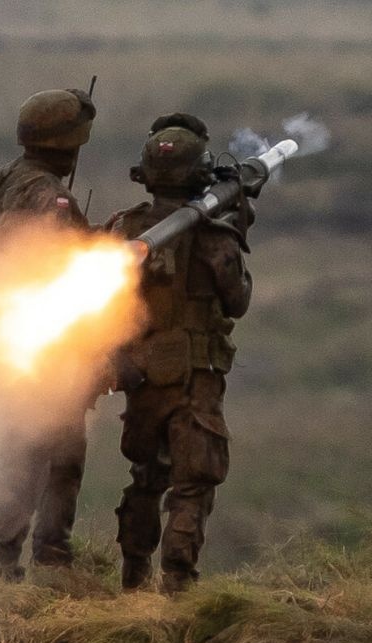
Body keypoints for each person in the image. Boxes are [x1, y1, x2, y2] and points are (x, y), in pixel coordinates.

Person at [105, 113, 253, 593]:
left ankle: (133, 576)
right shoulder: (212, 235)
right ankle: (177, 583)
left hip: (143, 373)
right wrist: (235, 226)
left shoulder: (122, 230)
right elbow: (238, 301)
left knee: (147, 476)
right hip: (194, 376)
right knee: (193, 483)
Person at [0, 88, 97, 580]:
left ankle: (2, 560)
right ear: (66, 144)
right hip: (50, 340)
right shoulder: (51, 196)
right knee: (59, 457)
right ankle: (51, 561)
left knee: (21, 452)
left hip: (16, 331)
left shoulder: (10, 181)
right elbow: (63, 264)